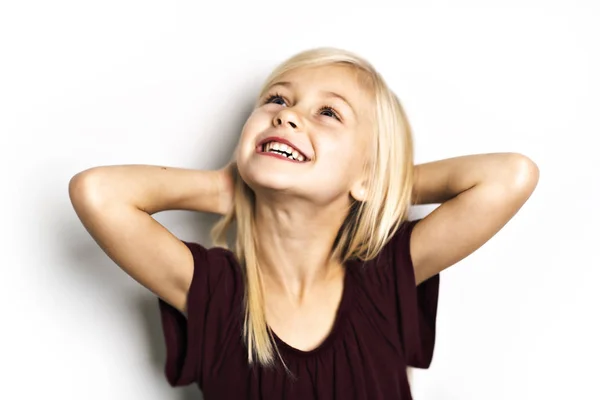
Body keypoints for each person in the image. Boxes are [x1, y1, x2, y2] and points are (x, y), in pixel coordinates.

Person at [69, 47, 539, 399]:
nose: (288, 115)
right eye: (277, 100)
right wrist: (222, 188)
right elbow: (98, 192)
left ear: (367, 173)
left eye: (328, 112)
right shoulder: (215, 290)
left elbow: (510, 176)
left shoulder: (386, 276)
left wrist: (378, 183)